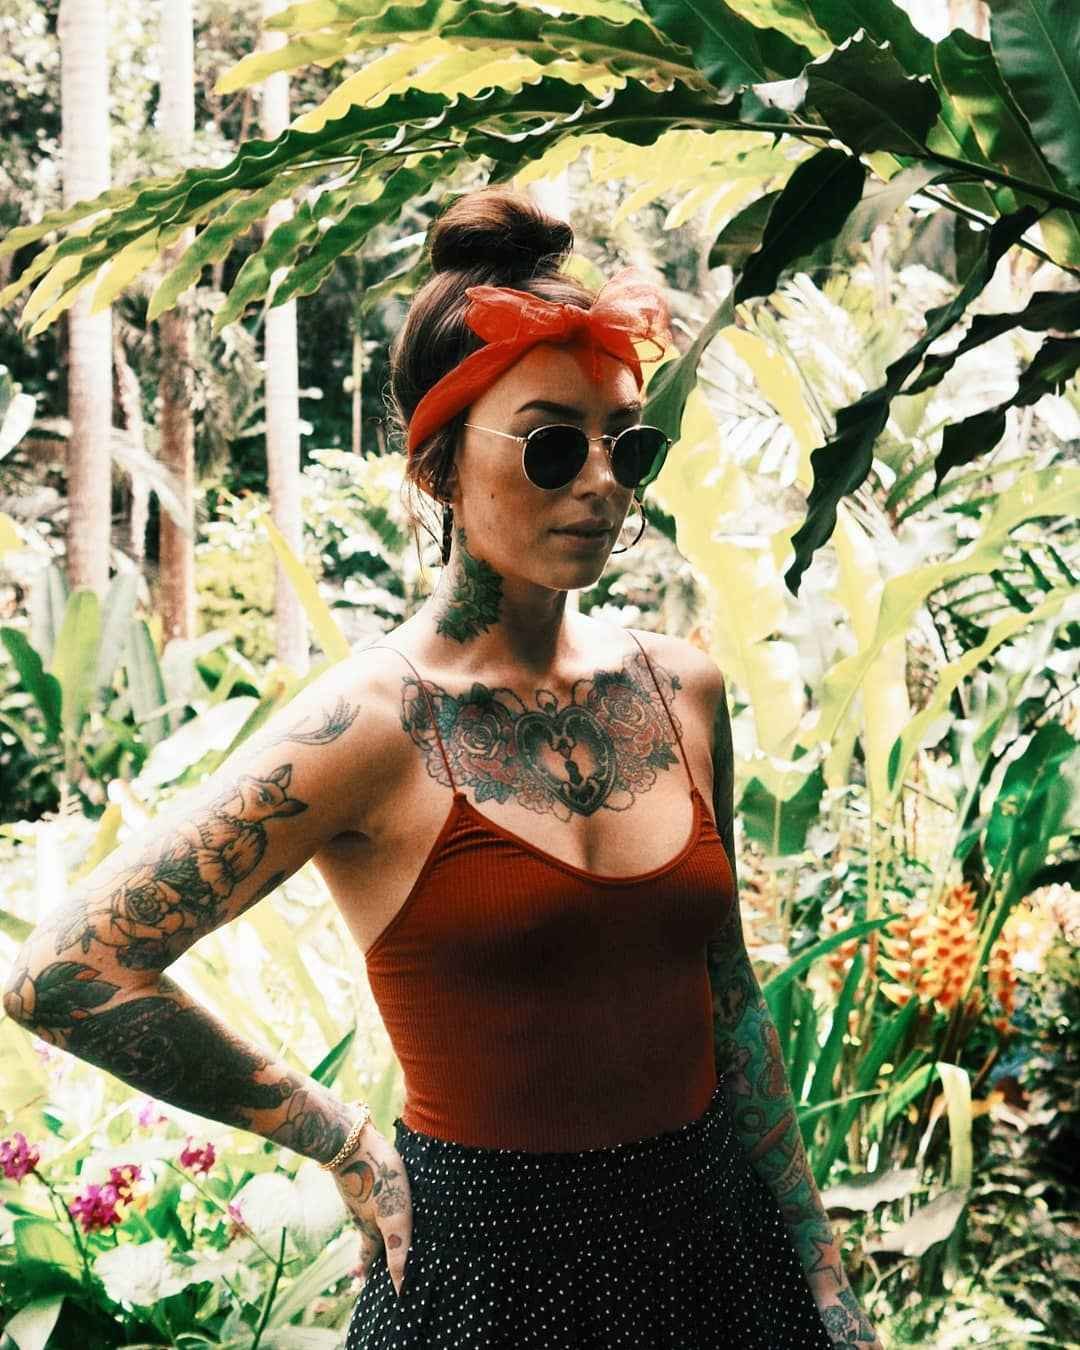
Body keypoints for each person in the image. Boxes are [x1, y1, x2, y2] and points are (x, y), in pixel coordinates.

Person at [3, 185, 880, 1349]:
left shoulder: (684, 690)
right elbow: (66, 971)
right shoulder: (370, 727)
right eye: (553, 444)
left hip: (716, 1251)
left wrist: (821, 1271)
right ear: (439, 470)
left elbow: (730, 994)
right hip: (486, 1277)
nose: (602, 480)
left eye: (629, 443)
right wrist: (336, 1138)